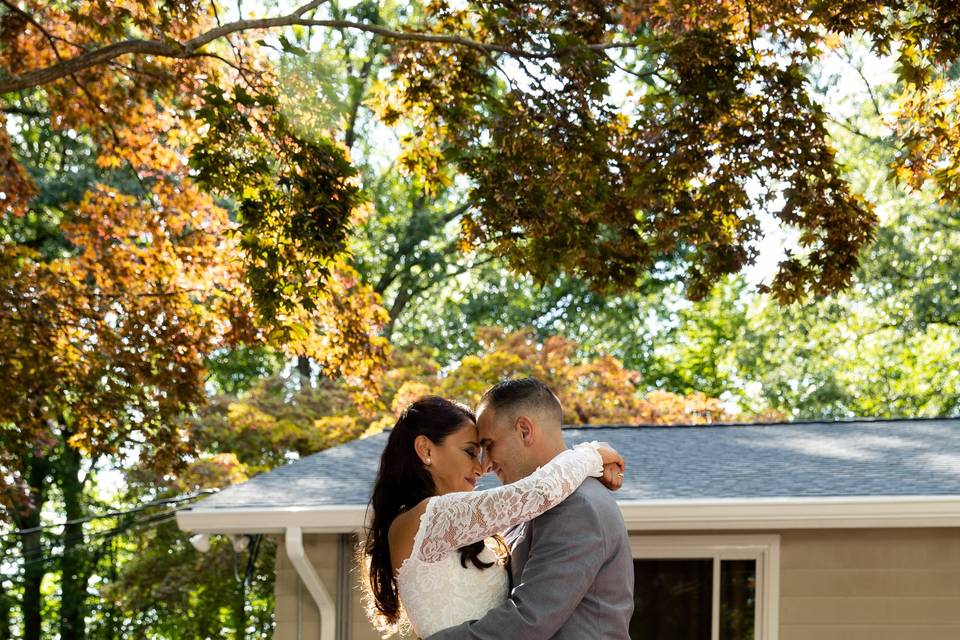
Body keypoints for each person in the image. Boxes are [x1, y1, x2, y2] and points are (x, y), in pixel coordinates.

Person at [361, 392, 626, 638]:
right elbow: (537, 492)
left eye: (484, 450)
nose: (481, 467)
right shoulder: (425, 519)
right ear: (426, 450)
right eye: (470, 451)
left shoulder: (459, 527)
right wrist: (590, 454)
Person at [427, 378, 634, 639]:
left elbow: (530, 619)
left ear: (524, 430)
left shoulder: (576, 506)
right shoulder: (530, 506)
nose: (486, 464)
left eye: (489, 445)